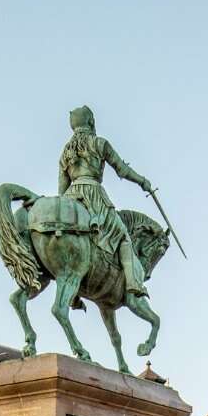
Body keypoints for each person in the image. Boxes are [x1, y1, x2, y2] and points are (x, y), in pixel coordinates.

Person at [57, 105, 155, 296]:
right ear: (91, 122)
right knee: (123, 235)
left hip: (71, 196)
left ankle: (73, 292)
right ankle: (134, 283)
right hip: (94, 196)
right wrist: (142, 181)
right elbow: (122, 169)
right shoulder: (99, 143)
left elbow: (61, 189)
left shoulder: (66, 152)